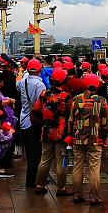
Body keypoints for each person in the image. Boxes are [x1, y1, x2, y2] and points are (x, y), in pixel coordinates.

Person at [67, 74, 108, 204]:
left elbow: (70, 119)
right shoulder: (101, 101)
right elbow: (105, 121)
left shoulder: (76, 99)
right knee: (94, 168)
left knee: (77, 166)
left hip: (78, 137)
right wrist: (105, 137)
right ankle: (94, 196)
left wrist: (70, 135)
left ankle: (77, 194)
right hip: (95, 138)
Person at [32, 68, 73, 196]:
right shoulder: (66, 96)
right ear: (64, 81)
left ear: (51, 80)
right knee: (61, 159)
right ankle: (61, 188)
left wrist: (44, 119)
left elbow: (36, 109)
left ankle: (40, 185)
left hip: (47, 129)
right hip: (61, 131)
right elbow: (71, 112)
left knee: (45, 158)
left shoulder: (44, 94)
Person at [16, 58, 47, 189]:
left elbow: (17, 84)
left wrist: (20, 72)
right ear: (40, 70)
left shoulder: (22, 82)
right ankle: (33, 180)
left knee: (29, 151)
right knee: (36, 153)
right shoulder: (40, 85)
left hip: (24, 119)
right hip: (35, 120)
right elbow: (41, 103)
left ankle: (31, 178)